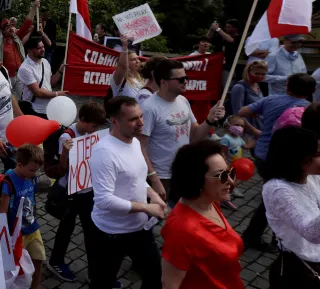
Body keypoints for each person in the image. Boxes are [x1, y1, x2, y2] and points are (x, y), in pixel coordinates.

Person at [90, 96, 168, 289]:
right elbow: (103, 200)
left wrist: (153, 194)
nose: (141, 123)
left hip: (139, 228)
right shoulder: (104, 153)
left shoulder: (133, 141)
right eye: (133, 119)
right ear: (115, 121)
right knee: (102, 283)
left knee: (154, 277)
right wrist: (146, 207)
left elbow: (135, 178)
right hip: (112, 234)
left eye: (141, 116)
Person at [238, 72, 316, 250]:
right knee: (273, 199)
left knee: (272, 196)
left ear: (287, 86)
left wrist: (256, 131)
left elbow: (243, 112)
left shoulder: (271, 100)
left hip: (262, 154)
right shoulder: (309, 110)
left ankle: (272, 236)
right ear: (312, 91)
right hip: (285, 160)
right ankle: (254, 236)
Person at [161, 140, 244, 289]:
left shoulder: (210, 202)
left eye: (230, 172)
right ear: (196, 180)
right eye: (221, 176)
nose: (231, 181)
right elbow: (170, 285)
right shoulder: (181, 230)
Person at [140, 59, 225, 202]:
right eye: (180, 79)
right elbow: (140, 145)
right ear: (164, 82)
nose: (185, 82)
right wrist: (154, 178)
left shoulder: (183, 100)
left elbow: (196, 135)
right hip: (162, 176)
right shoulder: (149, 108)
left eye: (186, 78)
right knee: (155, 218)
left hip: (183, 172)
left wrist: (209, 120)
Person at [47, 102, 112, 285]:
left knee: (92, 231)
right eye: (93, 126)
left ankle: (95, 273)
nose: (95, 130)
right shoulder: (67, 137)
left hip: (88, 190)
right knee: (66, 229)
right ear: (82, 120)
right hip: (71, 192)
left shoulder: (92, 135)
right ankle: (56, 262)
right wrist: (66, 154)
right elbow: (62, 168)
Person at [262, 127, 320, 288]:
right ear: (300, 159)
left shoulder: (311, 176)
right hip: (300, 269)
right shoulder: (277, 190)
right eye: (317, 154)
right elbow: (312, 233)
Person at [0, 144, 45, 289]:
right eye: (31, 170)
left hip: (32, 228)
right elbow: (3, 210)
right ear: (19, 164)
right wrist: (5, 235)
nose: (34, 173)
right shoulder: (9, 180)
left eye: (36, 170)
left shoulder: (32, 177)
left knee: (39, 260)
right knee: (15, 267)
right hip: (16, 234)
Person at [0, 1, 37, 97]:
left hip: (20, 75)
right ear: (3, 31)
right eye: (8, 27)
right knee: (10, 100)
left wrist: (34, 8)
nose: (11, 29)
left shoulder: (17, 38)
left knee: (22, 99)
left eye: (12, 26)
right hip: (7, 77)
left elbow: (27, 23)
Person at [17, 36, 65, 116]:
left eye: (43, 46)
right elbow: (38, 93)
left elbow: (51, 83)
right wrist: (57, 94)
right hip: (33, 109)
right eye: (38, 48)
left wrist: (60, 71)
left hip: (47, 108)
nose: (43, 50)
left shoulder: (45, 62)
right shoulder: (25, 68)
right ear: (30, 50)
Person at [230, 60, 267, 135]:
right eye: (257, 73)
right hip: (246, 131)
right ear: (248, 72)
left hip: (260, 126)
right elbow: (237, 113)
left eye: (263, 74)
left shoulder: (257, 85)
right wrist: (253, 130)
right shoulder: (239, 87)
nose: (260, 76)